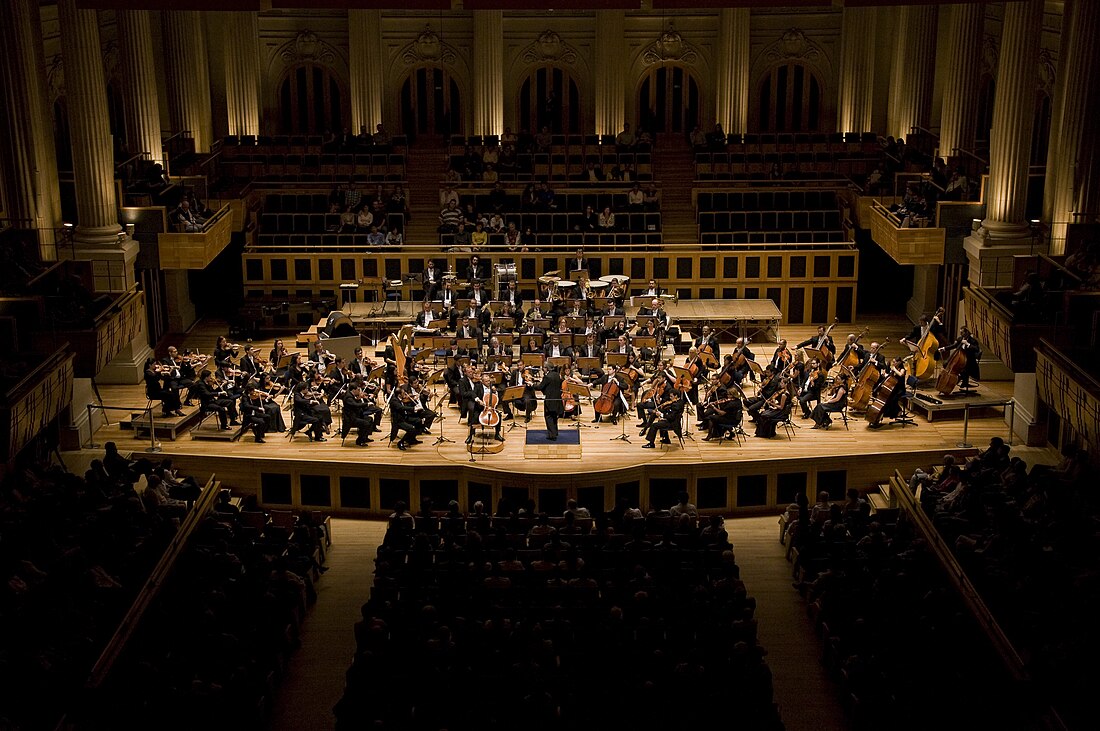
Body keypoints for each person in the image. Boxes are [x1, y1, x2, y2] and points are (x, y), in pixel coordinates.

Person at [533, 364, 564, 440]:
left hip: (550, 399)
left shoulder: (547, 377)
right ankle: (555, 431)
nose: (543, 369)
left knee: (548, 416)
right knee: (554, 416)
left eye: (543, 368)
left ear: (547, 368)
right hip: (557, 398)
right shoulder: (557, 375)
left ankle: (552, 435)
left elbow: (540, 387)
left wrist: (532, 384)